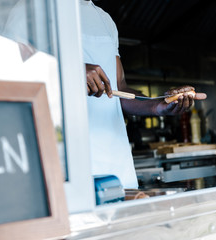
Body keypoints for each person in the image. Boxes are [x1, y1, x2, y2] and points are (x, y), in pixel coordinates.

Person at [79, 0, 207, 189]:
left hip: (116, 166)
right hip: (71, 164)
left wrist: (158, 106)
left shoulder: (104, 20)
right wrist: (73, 71)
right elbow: (21, 75)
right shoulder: (29, 7)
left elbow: (120, 88)